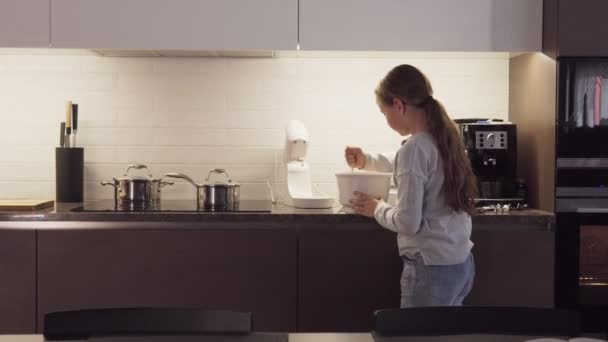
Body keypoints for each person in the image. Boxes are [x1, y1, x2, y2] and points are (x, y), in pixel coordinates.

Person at [344, 64, 478, 308]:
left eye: (384, 113)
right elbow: (402, 161)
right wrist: (366, 159)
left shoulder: (415, 148)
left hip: (430, 270)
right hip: (460, 265)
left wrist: (376, 208)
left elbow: (408, 222)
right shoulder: (446, 139)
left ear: (398, 105)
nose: (386, 120)